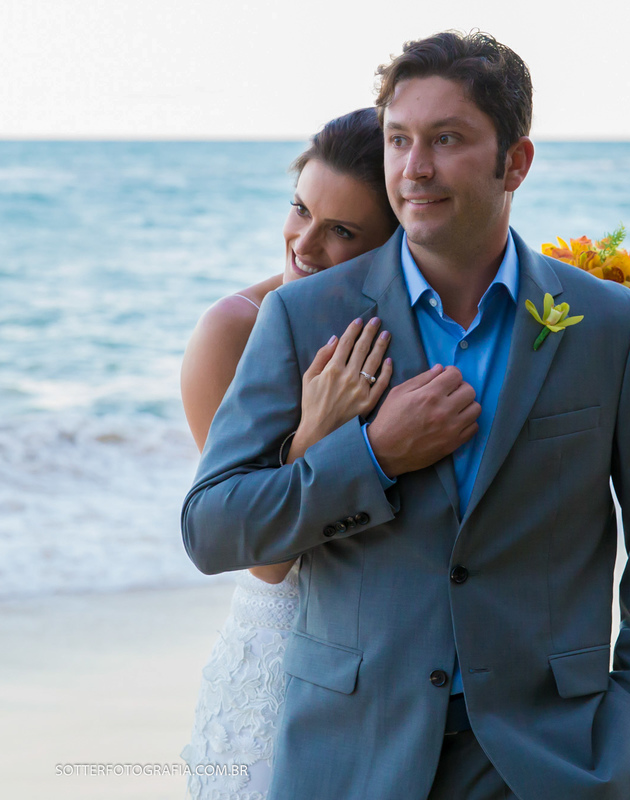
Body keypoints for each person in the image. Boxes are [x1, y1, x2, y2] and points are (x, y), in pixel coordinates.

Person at [181, 31, 630, 800]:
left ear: (516, 163)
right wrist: (372, 456)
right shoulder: (302, 317)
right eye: (399, 139)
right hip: (351, 763)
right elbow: (211, 529)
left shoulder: (607, 324)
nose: (414, 167)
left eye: (447, 139)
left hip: (552, 764)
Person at [178, 109, 399, 799]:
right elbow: (263, 558)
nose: (304, 243)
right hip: (278, 660)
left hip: (391, 674)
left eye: (342, 231)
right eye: (301, 209)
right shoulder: (233, 330)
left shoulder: (409, 330)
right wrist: (317, 431)